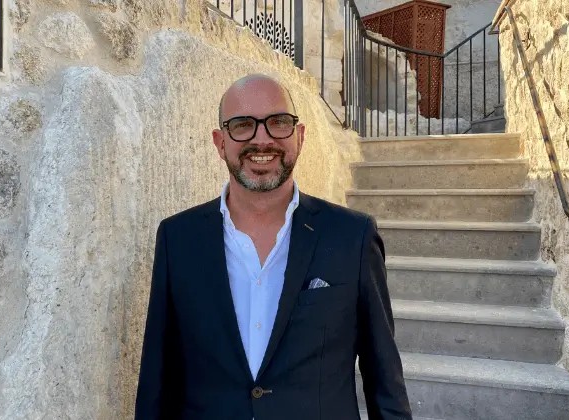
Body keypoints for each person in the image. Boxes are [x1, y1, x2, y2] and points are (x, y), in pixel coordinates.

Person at [135, 74, 412, 420]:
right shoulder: (178, 239)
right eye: (242, 125)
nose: (262, 139)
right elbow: (157, 381)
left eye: (278, 122)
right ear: (220, 143)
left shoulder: (352, 237)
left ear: (300, 136)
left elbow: (385, 382)